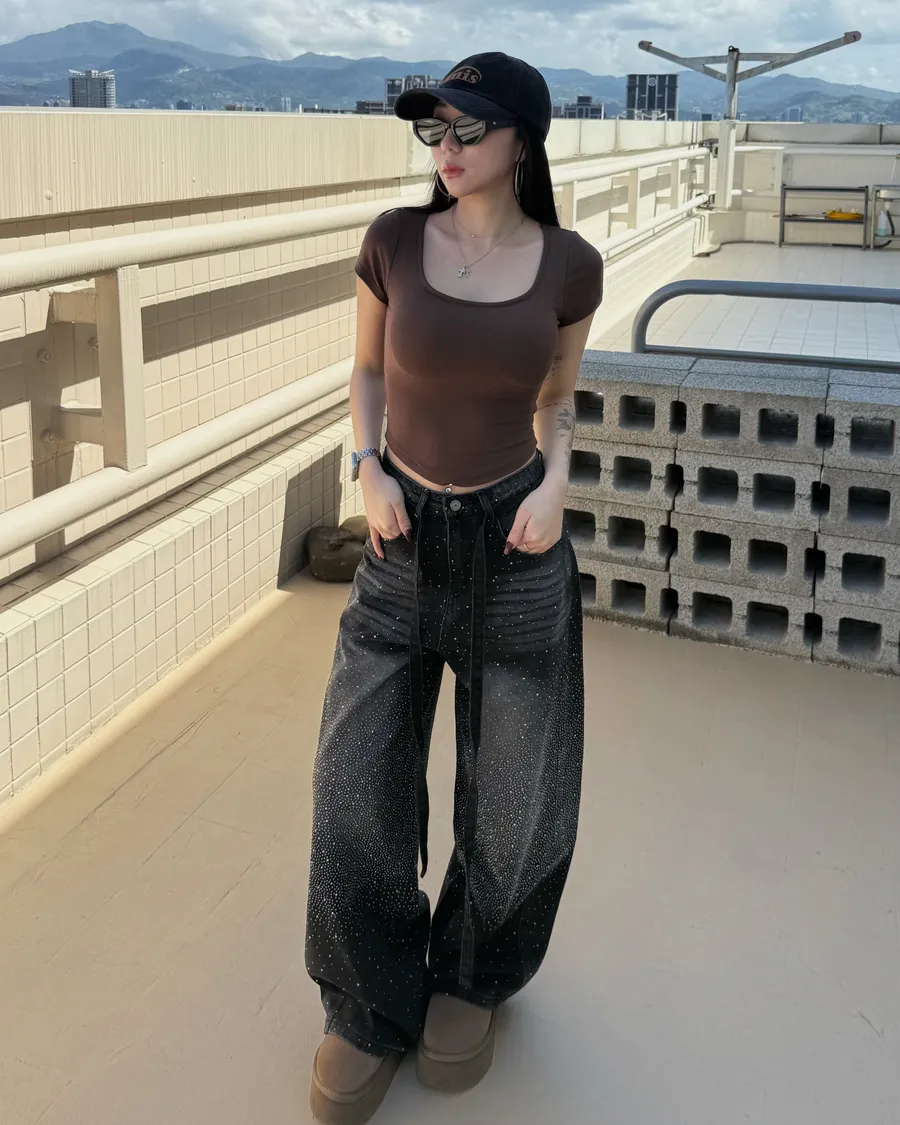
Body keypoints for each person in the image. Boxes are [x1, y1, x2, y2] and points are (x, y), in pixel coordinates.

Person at [306, 51, 604, 1125]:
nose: (447, 146)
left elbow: (559, 396)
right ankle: (367, 999)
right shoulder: (392, 241)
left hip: (516, 539)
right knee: (356, 777)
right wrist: (367, 466)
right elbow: (367, 370)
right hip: (398, 538)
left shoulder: (569, 264)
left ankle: (474, 973)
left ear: (523, 140)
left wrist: (559, 482)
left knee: (517, 785)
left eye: (469, 128)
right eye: (434, 128)